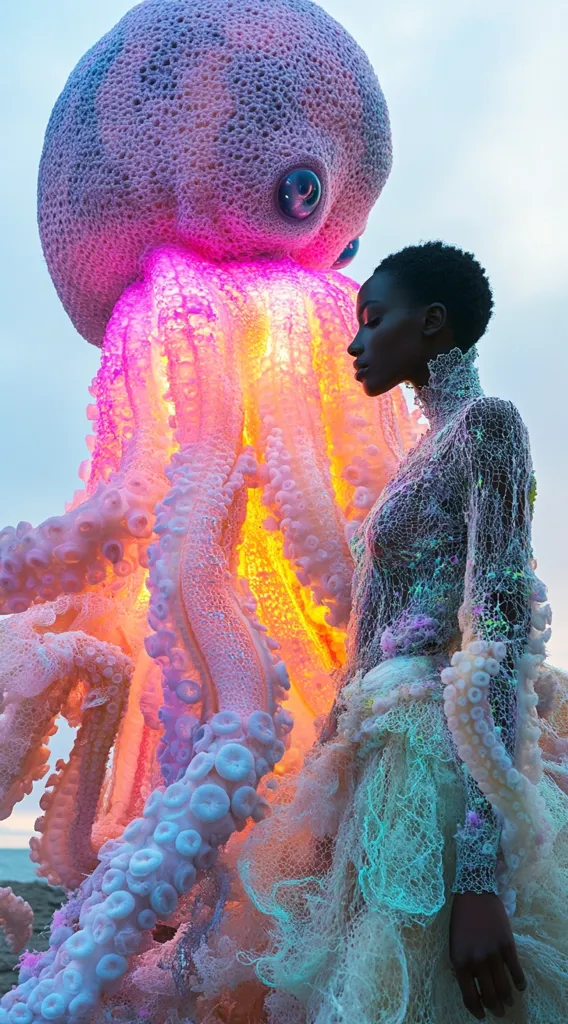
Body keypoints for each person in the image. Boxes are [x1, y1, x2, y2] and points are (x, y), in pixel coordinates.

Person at [209, 241, 568, 1023]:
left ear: (432, 323)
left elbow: (499, 631)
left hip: (436, 764)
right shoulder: (420, 455)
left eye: (373, 319)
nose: (355, 341)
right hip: (376, 762)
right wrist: (327, 778)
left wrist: (479, 876)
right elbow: (368, 642)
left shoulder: (487, 426)